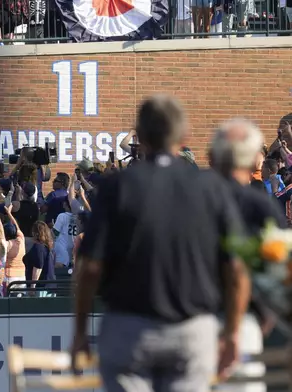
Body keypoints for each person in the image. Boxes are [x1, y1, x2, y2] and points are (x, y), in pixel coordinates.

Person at [71, 95, 250, 390]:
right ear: (184, 135)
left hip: (129, 329)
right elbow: (236, 269)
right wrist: (232, 333)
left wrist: (79, 332)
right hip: (192, 330)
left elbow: (90, 267)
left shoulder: (118, 186)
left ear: (139, 137)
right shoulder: (211, 188)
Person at [210, 118, 287, 336]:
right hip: (248, 318)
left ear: (213, 158)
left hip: (196, 315)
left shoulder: (191, 200)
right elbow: (280, 267)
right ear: (255, 159)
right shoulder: (261, 205)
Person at [23, 221, 57, 297]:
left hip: (40, 288)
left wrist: (32, 287)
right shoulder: (50, 249)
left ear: (35, 233)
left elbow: (37, 268)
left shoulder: (39, 247)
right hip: (51, 286)